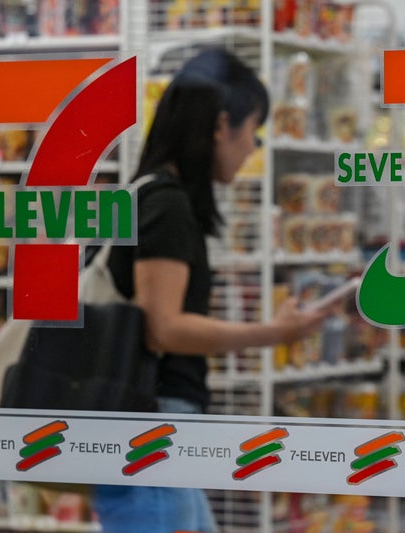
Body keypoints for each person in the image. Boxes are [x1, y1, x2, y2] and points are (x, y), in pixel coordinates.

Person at [94, 47, 333, 532]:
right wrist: (272, 333)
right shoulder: (167, 204)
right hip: (153, 424)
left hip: (153, 429)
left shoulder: (151, 195)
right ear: (222, 125)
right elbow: (164, 328)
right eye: (253, 130)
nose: (254, 147)